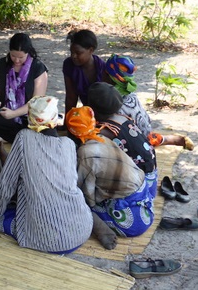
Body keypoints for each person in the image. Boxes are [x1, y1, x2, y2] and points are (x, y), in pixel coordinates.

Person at [0, 96, 93, 254]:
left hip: (48, 240)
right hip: (81, 229)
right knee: (32, 184)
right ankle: (2, 171)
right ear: (56, 119)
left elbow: (6, 185)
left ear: (31, 119)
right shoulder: (68, 144)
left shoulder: (24, 138)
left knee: (5, 217)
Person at [66, 106, 154, 250]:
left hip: (132, 222)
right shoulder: (103, 138)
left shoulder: (85, 153)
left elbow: (87, 196)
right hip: (145, 199)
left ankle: (100, 228)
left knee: (74, 202)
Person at [102, 54, 194, 149]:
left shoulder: (113, 102)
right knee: (153, 138)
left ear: (107, 75)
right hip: (148, 133)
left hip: (136, 141)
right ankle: (175, 139)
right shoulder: (130, 92)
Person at [0, 33, 48, 146]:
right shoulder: (1, 65)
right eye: (13, 56)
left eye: (21, 57)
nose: (16, 60)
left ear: (28, 53)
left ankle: (4, 138)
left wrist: (15, 113)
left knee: (43, 129)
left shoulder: (38, 68)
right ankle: (21, 137)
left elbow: (36, 102)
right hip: (6, 114)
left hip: (29, 116)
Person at [62, 29, 106, 117]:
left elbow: (107, 102)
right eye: (71, 52)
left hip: (105, 113)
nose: (73, 56)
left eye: (78, 53)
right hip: (87, 114)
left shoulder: (103, 68)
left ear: (91, 50)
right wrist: (67, 123)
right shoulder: (69, 65)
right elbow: (71, 98)